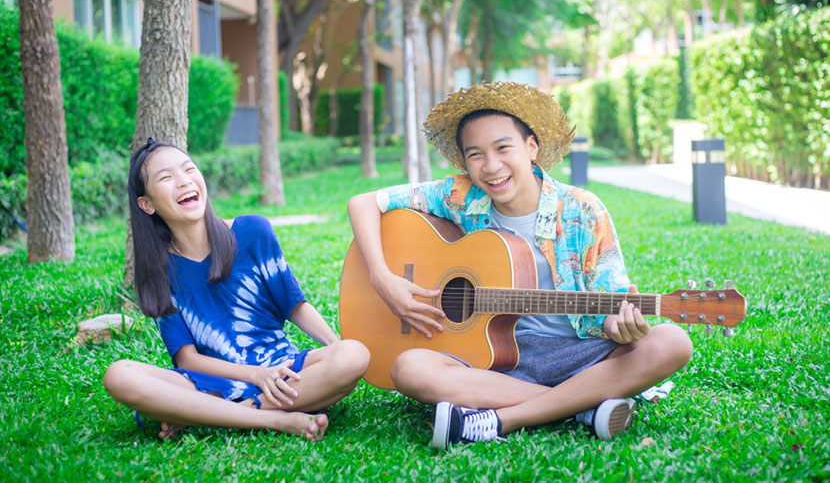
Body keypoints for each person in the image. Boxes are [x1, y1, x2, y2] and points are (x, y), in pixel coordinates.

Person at [347, 81, 693, 449]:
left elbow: (612, 305)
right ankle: (584, 406)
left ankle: (501, 418)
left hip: (579, 353)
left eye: (502, 148)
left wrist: (621, 326)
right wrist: (383, 279)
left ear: (531, 147)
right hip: (494, 360)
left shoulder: (582, 210)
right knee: (409, 368)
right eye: (475, 154)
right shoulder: (461, 196)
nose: (491, 166)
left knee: (672, 341)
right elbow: (363, 202)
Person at [104, 139, 369, 441]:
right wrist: (255, 376)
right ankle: (274, 420)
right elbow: (188, 360)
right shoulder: (158, 272)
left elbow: (295, 305)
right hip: (213, 382)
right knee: (119, 374)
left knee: (354, 354)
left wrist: (335, 348)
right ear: (147, 204)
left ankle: (208, 414)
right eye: (166, 178)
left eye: (189, 169)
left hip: (281, 370)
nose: (183, 181)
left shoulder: (253, 231)